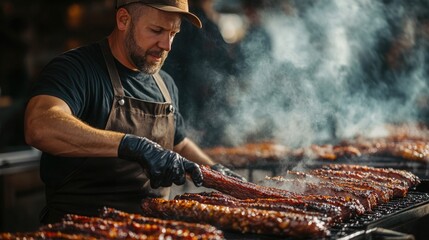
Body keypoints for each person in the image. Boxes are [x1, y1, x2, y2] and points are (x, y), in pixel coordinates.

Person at [24, 0, 245, 224]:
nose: (167, 45)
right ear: (123, 20)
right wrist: (131, 146)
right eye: (156, 30)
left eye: (173, 33)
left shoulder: (165, 85)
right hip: (83, 229)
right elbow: (40, 125)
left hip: (153, 231)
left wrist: (213, 172)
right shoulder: (76, 69)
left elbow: (179, 143)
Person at [162, 0, 237, 147]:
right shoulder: (197, 25)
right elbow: (226, 66)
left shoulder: (201, 24)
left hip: (191, 104)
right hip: (191, 104)